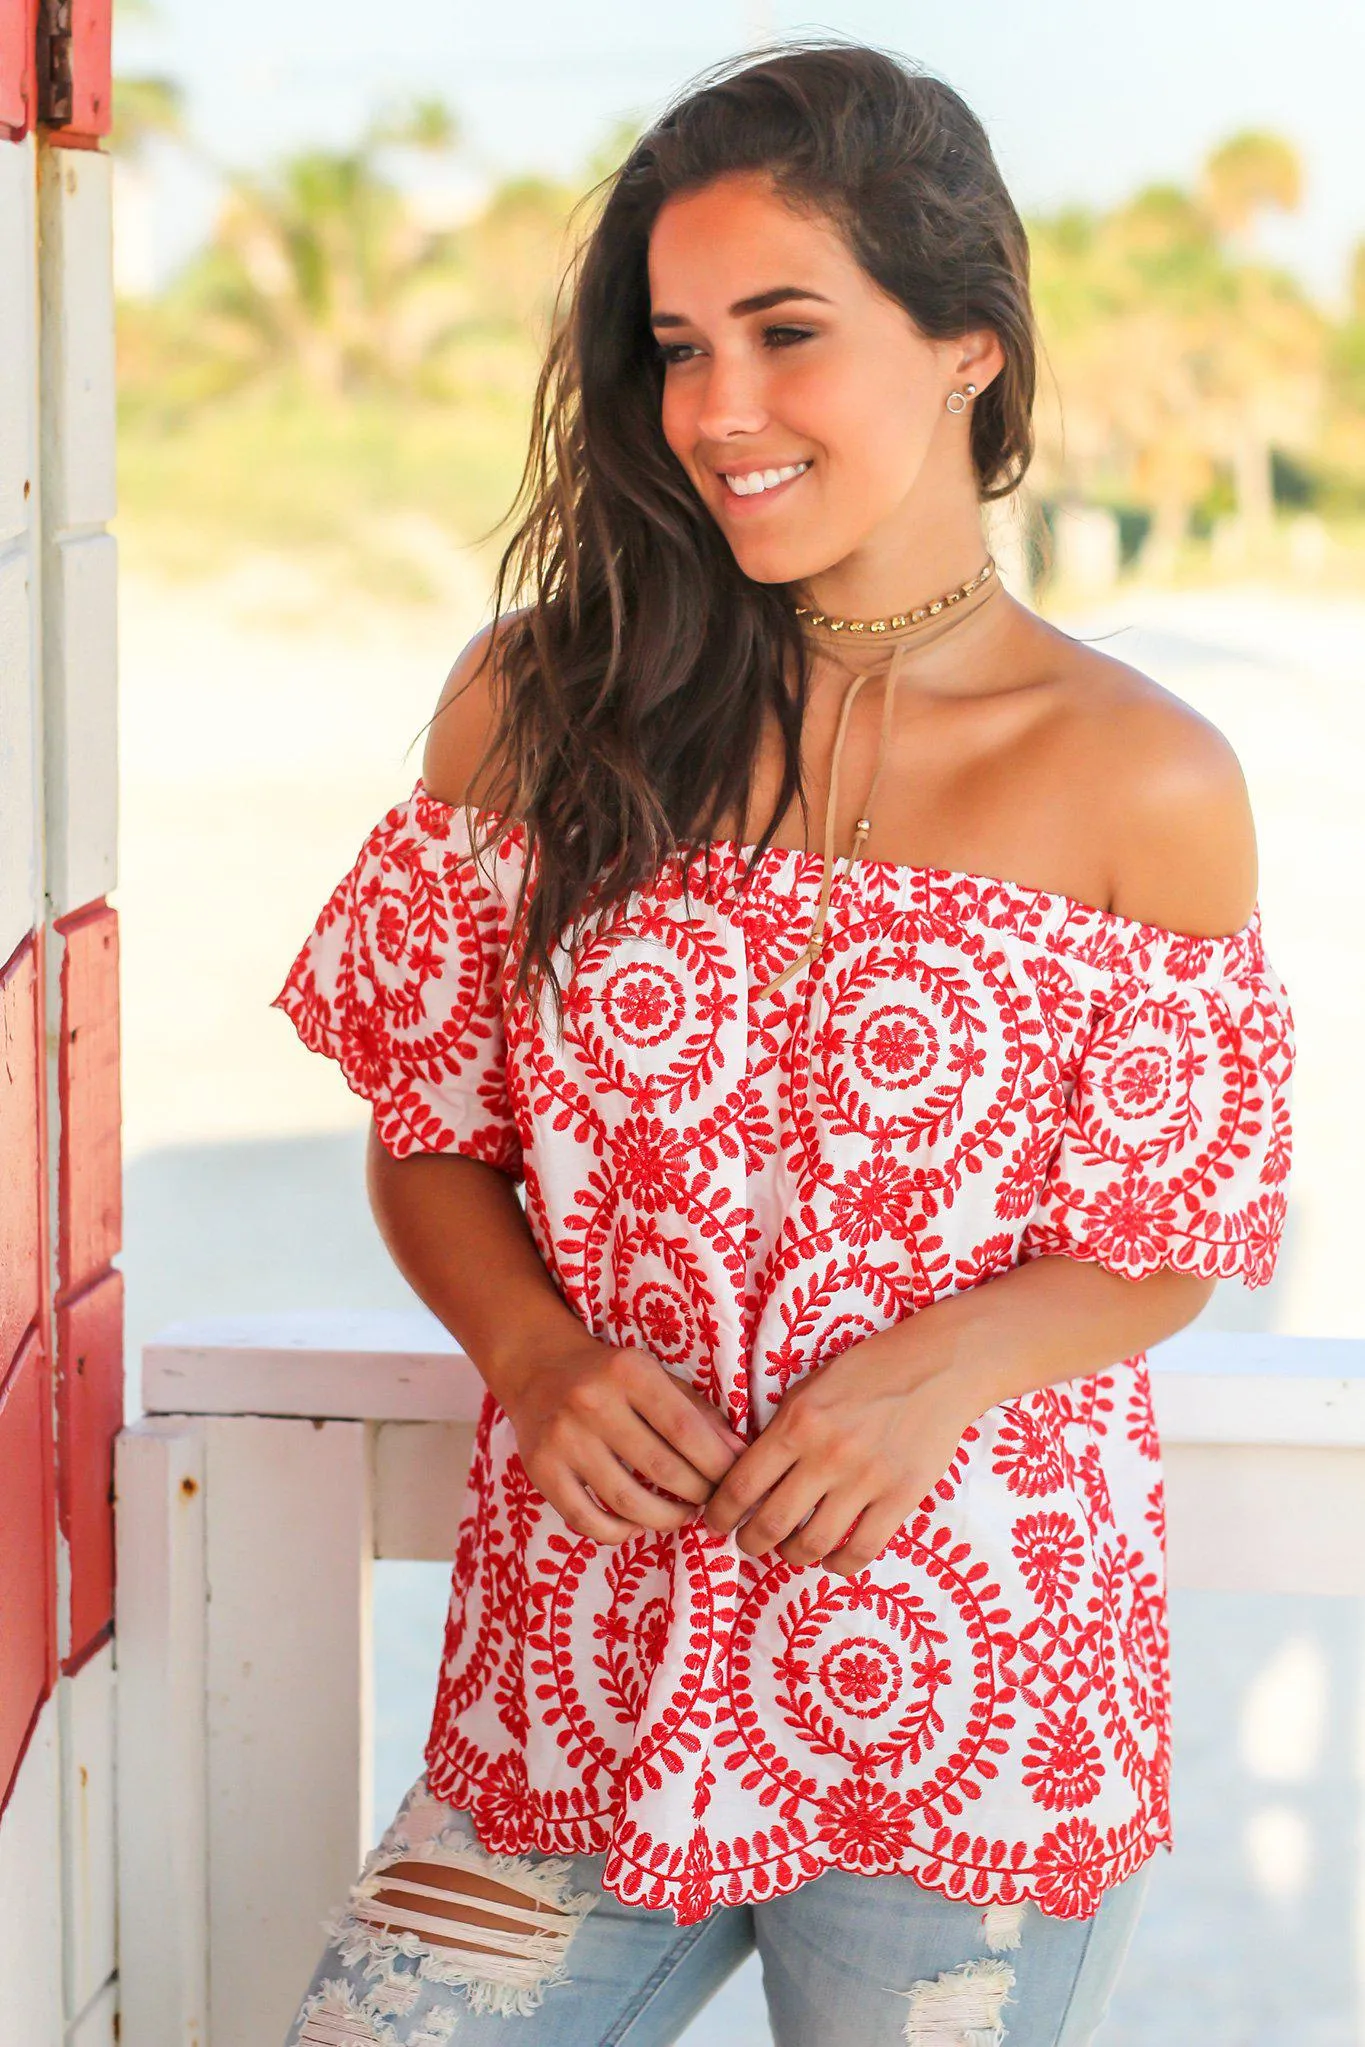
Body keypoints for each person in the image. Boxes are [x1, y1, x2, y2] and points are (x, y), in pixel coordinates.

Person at [273, 42, 1296, 2047]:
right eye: (674, 346)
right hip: (573, 1662)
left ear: (966, 350)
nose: (715, 410)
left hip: (972, 1690)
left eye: (785, 333)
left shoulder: (1144, 782)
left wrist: (932, 1381)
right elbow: (432, 1123)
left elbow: (1167, 1228)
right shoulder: (539, 703)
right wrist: (535, 1351)